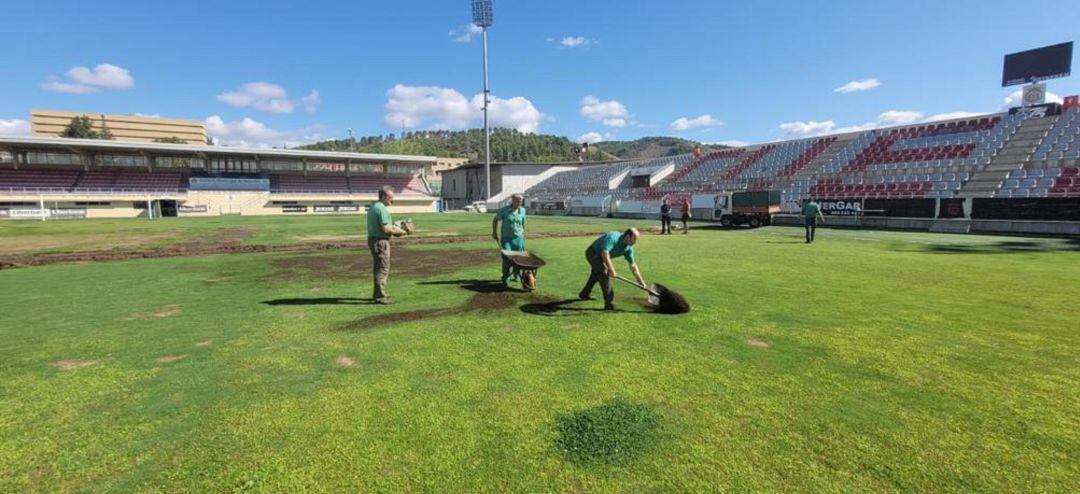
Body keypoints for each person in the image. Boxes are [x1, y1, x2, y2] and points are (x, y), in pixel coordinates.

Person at [579, 228, 646, 311]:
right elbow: (605, 253)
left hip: (601, 257)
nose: (635, 242)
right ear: (628, 236)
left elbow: (633, 266)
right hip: (593, 253)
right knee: (603, 273)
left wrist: (641, 282)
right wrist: (611, 269)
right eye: (634, 239)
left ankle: (584, 294)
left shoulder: (628, 248)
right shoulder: (613, 237)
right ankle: (609, 303)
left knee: (596, 274)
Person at [367, 186, 409, 304]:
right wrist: (399, 231)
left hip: (374, 240)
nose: (393, 200)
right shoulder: (382, 209)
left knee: (378, 267)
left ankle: (378, 293)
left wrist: (394, 228)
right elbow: (385, 229)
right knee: (382, 268)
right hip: (381, 242)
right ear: (384, 197)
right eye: (391, 198)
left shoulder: (374, 207)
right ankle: (380, 296)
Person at [492, 194, 527, 286]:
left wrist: (523, 234)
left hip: (518, 239)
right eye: (518, 200)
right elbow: (495, 220)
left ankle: (516, 275)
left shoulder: (523, 210)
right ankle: (506, 277)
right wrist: (494, 232)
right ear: (513, 200)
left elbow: (523, 223)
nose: (520, 201)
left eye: (521, 200)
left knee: (519, 258)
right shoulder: (504, 210)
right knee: (507, 259)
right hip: (507, 239)